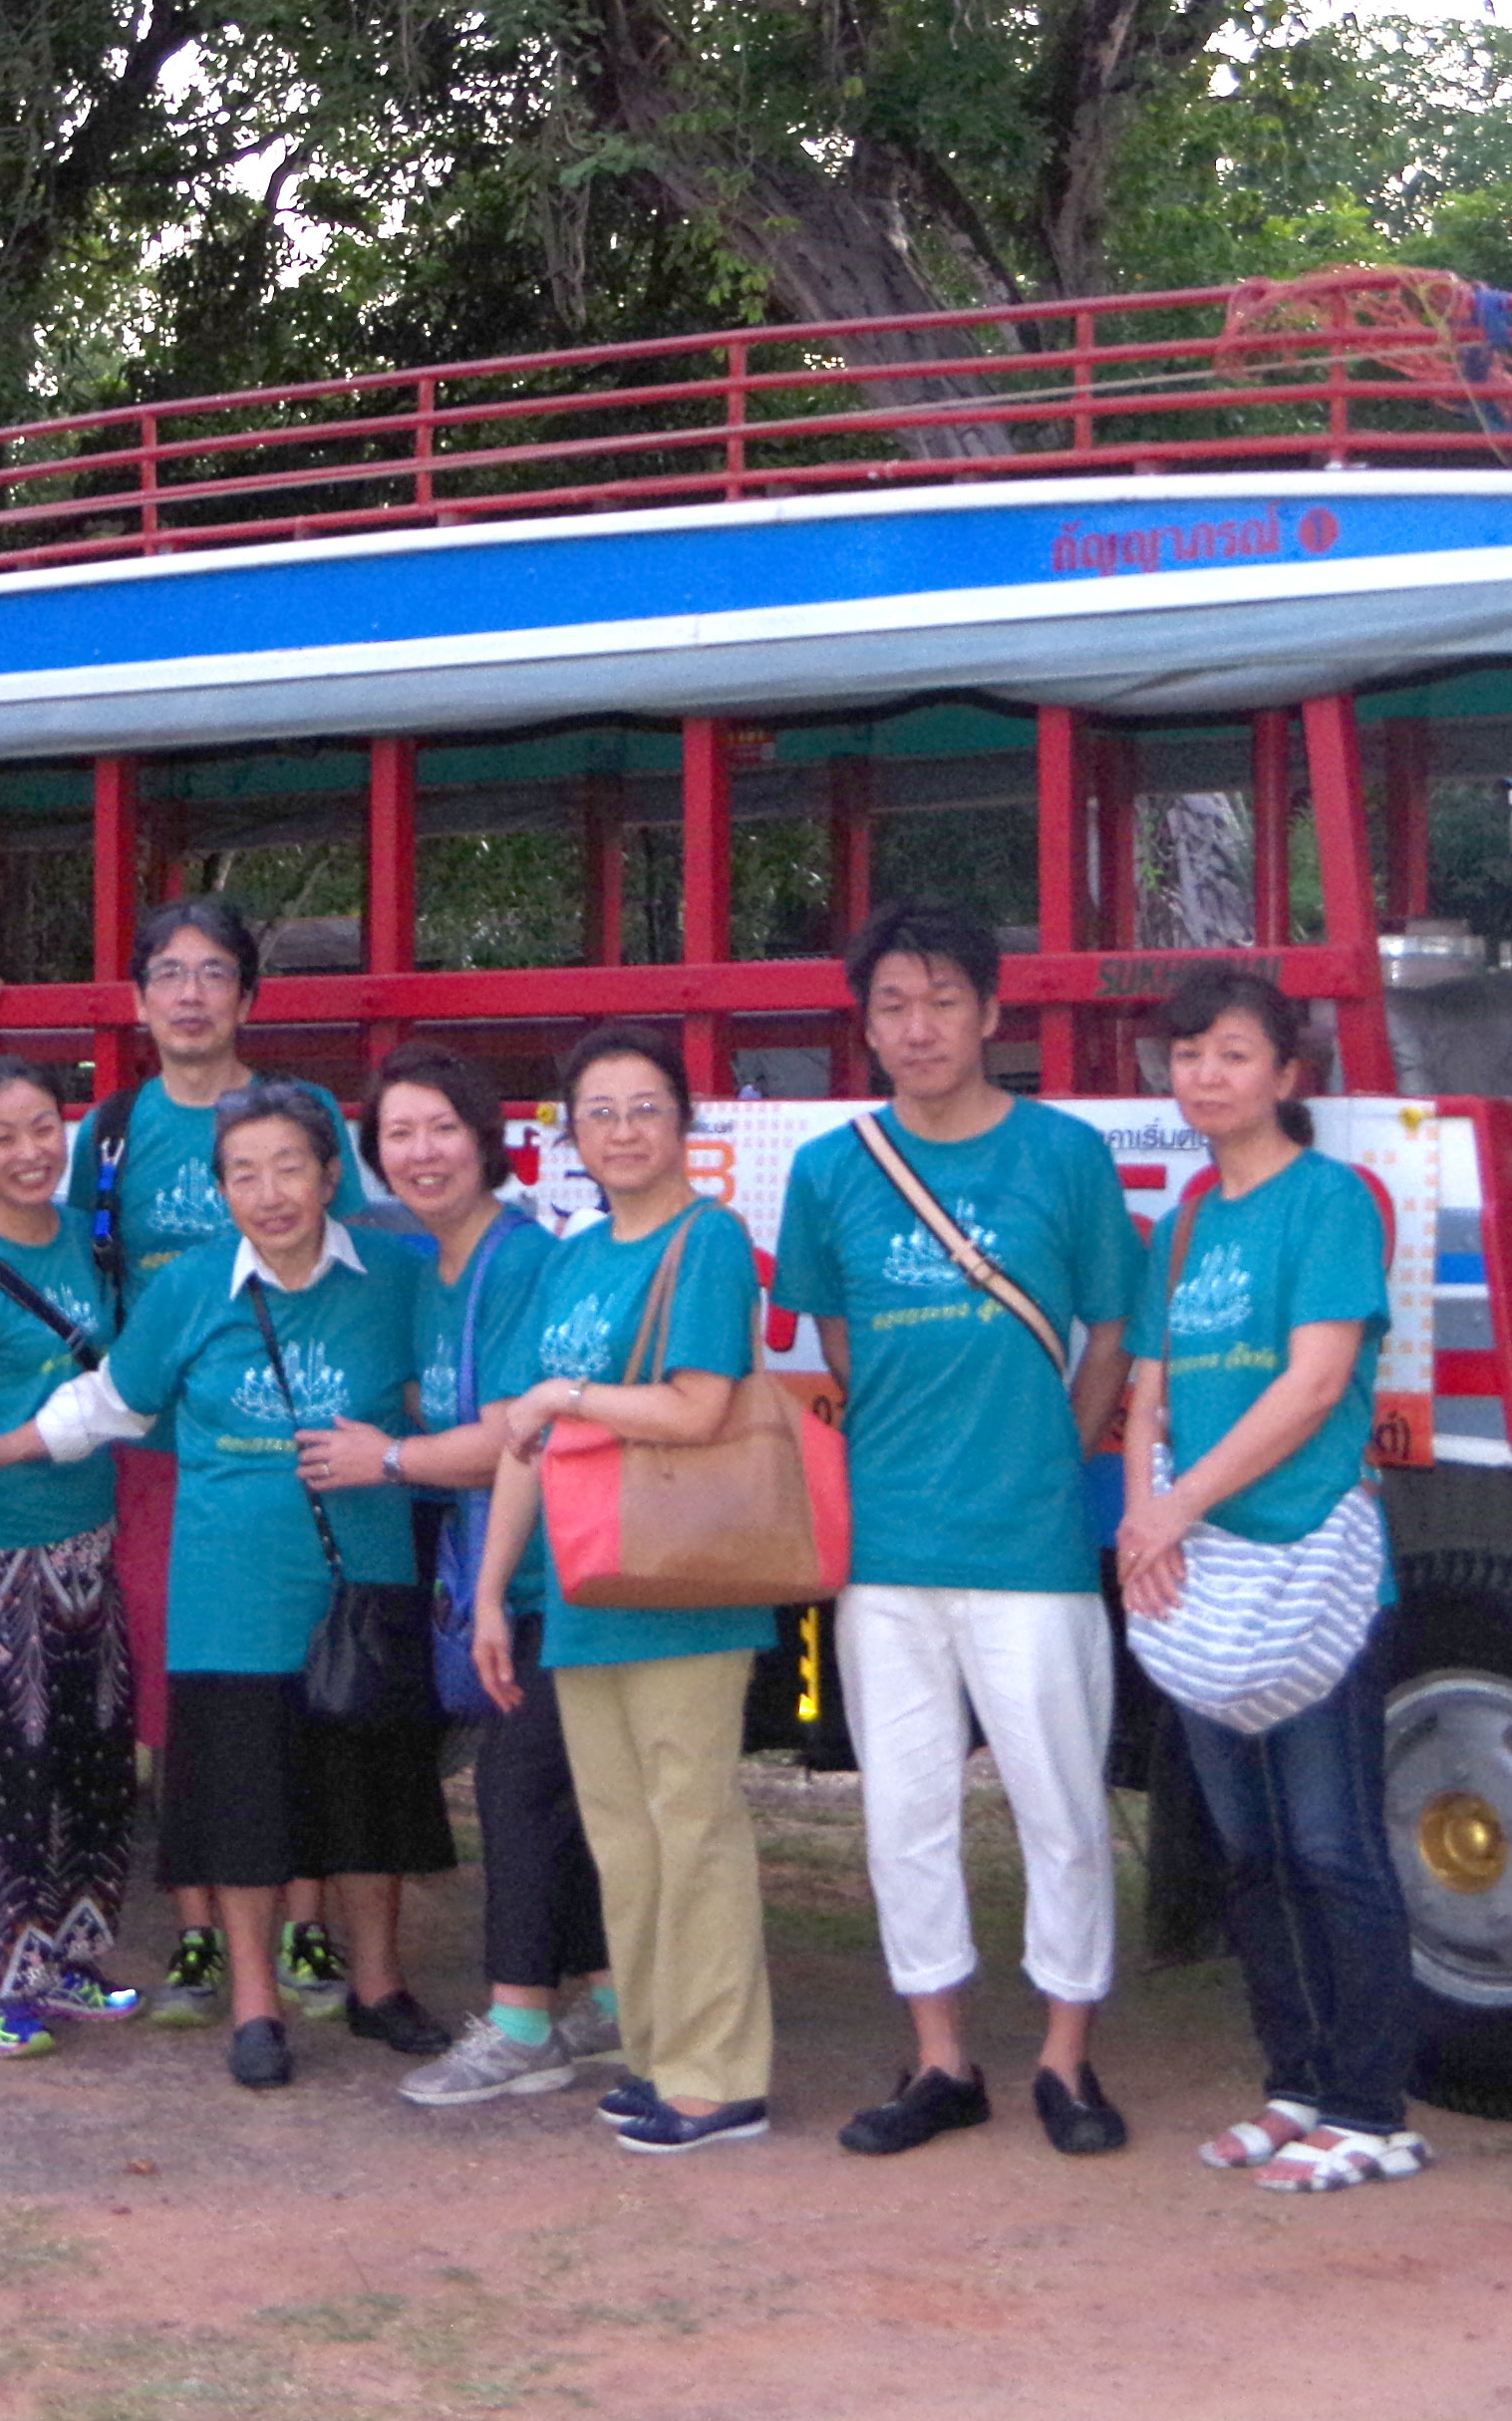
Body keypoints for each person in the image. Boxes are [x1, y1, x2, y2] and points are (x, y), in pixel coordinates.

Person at [766, 895, 1145, 2158]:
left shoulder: (1063, 1157)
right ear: (865, 1027)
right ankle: (939, 2061)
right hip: (884, 1552)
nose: (917, 1027)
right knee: (904, 1817)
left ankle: (1066, 2061)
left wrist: (1050, 1454)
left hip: (1031, 1549)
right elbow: (836, 1343)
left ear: (989, 1013)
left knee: (1061, 1810)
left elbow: (1109, 1331)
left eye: (941, 1001)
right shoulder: (831, 1171)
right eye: (892, 1005)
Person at [23, 1083, 447, 2090]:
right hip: (228, 1593)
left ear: (332, 1177)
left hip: (361, 1583)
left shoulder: (398, 1274)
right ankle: (255, 2006)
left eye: (290, 1167)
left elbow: (448, 1390)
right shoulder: (190, 1287)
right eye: (244, 1174)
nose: (269, 1193)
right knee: (242, 1804)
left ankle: (379, 1986)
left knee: (367, 1795)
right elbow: (111, 1404)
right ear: (220, 1192)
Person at [1119, 969, 1428, 2193]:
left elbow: (1312, 1385)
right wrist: (1143, 1519)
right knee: (1247, 1851)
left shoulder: (1328, 1202)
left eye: (1232, 1053)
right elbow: (1147, 1386)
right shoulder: (1184, 1222)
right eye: (1187, 1054)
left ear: (1285, 1075)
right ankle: (1294, 2086)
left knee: (1331, 1845)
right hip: (1202, 1580)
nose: (1204, 1075)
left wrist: (1178, 1505)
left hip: (1310, 1574)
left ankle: (1370, 2110)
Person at [457, 1028, 783, 2153]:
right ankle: (656, 2052)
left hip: (686, 1582)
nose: (623, 1130)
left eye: (645, 1107)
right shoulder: (573, 1256)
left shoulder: (708, 1238)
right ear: (570, 1138)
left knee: (693, 1828)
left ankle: (719, 2077)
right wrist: (491, 1592)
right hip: (582, 1587)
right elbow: (522, 1440)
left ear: (685, 1121)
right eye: (598, 1112)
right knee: (623, 1840)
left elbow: (698, 1406)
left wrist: (569, 1395)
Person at [295, 1040, 619, 2105]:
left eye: (442, 1128)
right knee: (553, 1793)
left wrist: (386, 1460)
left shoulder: (514, 1260)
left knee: (516, 1790)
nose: (422, 1151)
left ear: (486, 1141)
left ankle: (520, 2024)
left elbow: (516, 1435)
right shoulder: (429, 1267)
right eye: (398, 1133)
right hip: (509, 1580)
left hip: (560, 1578)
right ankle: (611, 2003)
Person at [68, 895, 369, 2025]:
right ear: (138, 1000)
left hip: (298, 1449)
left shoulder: (302, 1115)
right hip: (161, 1457)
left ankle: (304, 1923)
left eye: (212, 974)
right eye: (168, 975)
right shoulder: (109, 1132)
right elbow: (86, 1285)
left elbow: (354, 1265)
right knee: (180, 1690)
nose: (190, 996)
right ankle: (198, 1932)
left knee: (306, 1682)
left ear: (248, 996)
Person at [0, 1052, 149, 2051]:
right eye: (1, 1136)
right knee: (0, 1773)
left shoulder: (95, 1246)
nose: (28, 1151)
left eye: (43, 1127)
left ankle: (73, 1958)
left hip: (87, 1541)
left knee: (93, 1762)